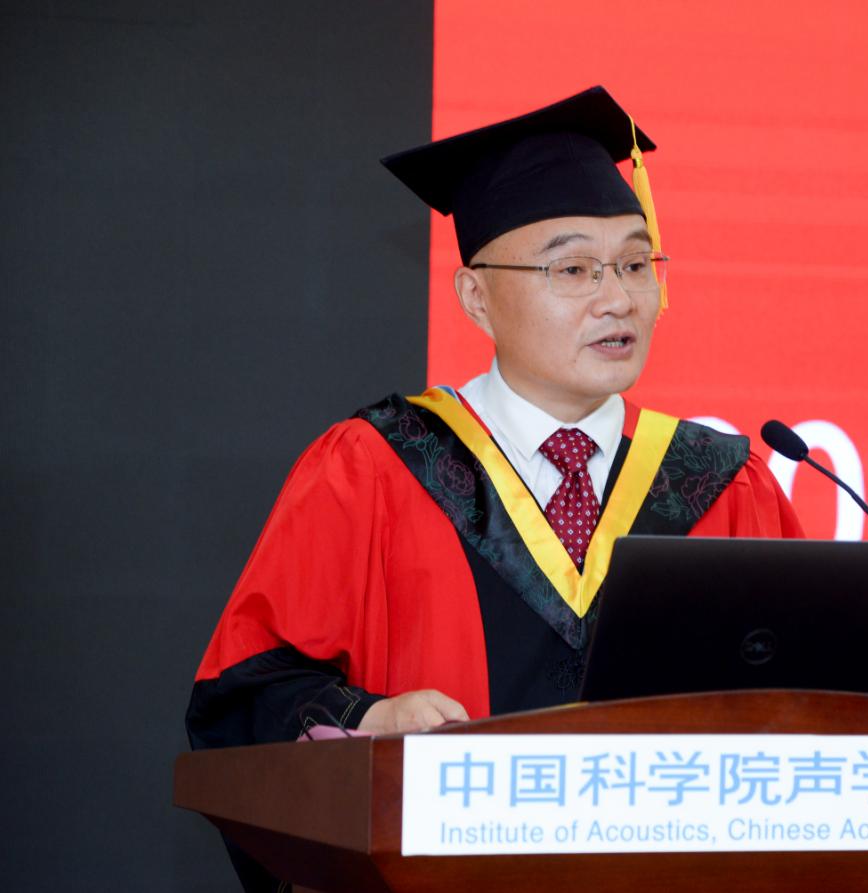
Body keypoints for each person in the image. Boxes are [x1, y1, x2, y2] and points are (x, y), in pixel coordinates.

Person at [186, 86, 802, 763]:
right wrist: (369, 717)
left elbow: (811, 705)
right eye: (574, 269)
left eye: (634, 264)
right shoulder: (378, 468)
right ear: (476, 297)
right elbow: (246, 694)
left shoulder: (720, 483)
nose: (619, 299)